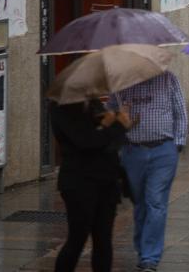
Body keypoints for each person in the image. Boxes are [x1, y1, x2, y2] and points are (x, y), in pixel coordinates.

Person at [107, 71, 188, 272]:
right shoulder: (121, 83)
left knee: (156, 201)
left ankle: (150, 258)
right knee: (140, 204)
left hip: (163, 150)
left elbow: (181, 112)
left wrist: (177, 144)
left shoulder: (168, 79)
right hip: (133, 152)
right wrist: (119, 115)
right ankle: (142, 249)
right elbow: (109, 115)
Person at [51, 99, 133, 272]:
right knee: (77, 239)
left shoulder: (94, 103)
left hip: (106, 181)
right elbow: (86, 141)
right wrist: (112, 126)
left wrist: (120, 123)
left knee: (103, 239)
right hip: (79, 183)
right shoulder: (63, 106)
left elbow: (108, 142)